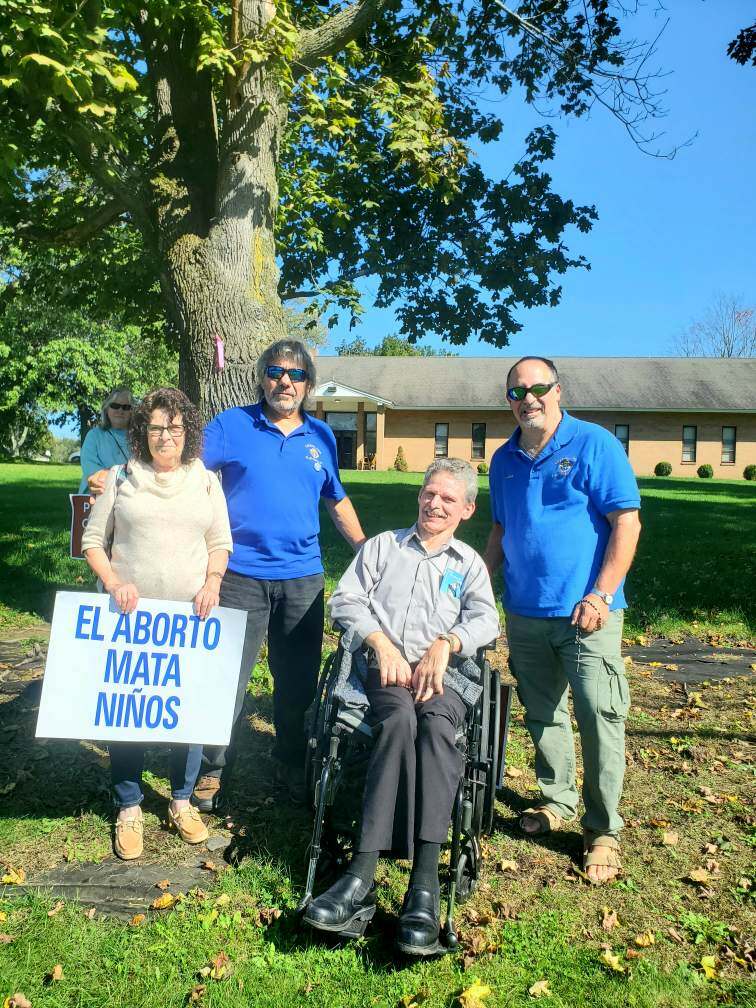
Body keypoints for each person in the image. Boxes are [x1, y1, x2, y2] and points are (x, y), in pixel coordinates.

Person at [303, 458, 499, 955]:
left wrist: (448, 642)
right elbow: (346, 600)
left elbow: (486, 621)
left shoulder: (468, 563)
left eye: (448, 499)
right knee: (397, 722)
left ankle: (425, 887)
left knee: (436, 730)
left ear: (467, 509)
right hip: (387, 670)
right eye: (429, 494)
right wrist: (380, 643)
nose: (435, 504)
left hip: (444, 674)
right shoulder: (383, 547)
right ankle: (360, 875)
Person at [483, 356, 641, 884]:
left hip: (587, 615)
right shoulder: (504, 458)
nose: (528, 398)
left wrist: (600, 594)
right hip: (525, 614)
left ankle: (603, 829)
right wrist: (478, 584)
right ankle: (558, 799)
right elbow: (501, 531)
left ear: (558, 389)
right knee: (543, 714)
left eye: (538, 388)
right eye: (516, 392)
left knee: (599, 718)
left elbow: (626, 523)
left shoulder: (595, 444)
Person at [194, 339, 366, 810]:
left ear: (308, 384)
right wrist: (126, 476)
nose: (284, 381)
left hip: (302, 579)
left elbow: (337, 499)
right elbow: (187, 475)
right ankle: (211, 769)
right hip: (238, 575)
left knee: (296, 682)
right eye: (274, 372)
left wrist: (369, 552)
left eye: (295, 374)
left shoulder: (321, 437)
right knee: (226, 677)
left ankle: (289, 759)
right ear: (261, 378)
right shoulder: (231, 425)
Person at [82, 387, 233, 860]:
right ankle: (128, 805)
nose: (164, 436)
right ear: (141, 432)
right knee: (129, 714)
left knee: (186, 713)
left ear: (187, 432)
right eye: (154, 427)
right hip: (131, 620)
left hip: (190, 621)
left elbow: (220, 541)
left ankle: (182, 800)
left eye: (174, 427)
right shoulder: (121, 478)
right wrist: (112, 582)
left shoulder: (206, 481)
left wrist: (213, 581)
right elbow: (92, 540)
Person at [78, 387, 134, 495]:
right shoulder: (94, 435)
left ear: (131, 412)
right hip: (97, 494)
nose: (120, 410)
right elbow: (90, 467)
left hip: (128, 495)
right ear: (107, 409)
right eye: (115, 406)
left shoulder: (139, 437)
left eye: (126, 407)